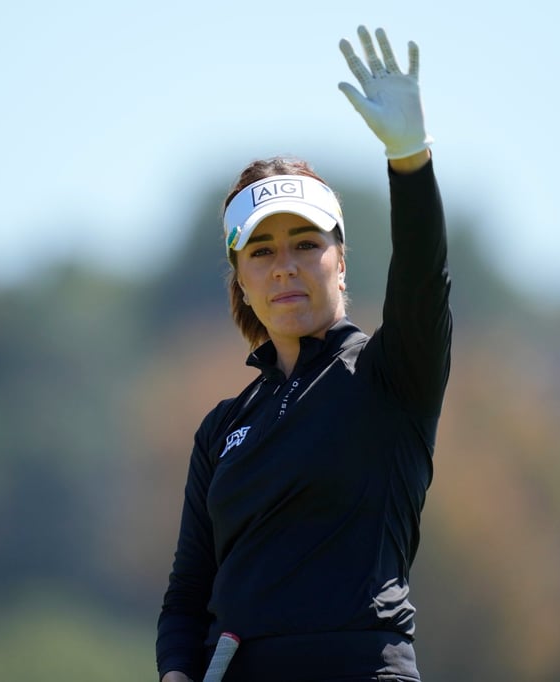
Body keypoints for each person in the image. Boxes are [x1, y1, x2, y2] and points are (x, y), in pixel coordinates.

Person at [156, 25, 451, 682]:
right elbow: (186, 598)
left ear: (340, 262)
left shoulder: (390, 376)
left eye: (304, 244)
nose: (285, 267)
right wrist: (177, 674)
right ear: (242, 282)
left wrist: (410, 161)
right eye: (262, 252)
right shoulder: (222, 430)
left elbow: (425, 281)